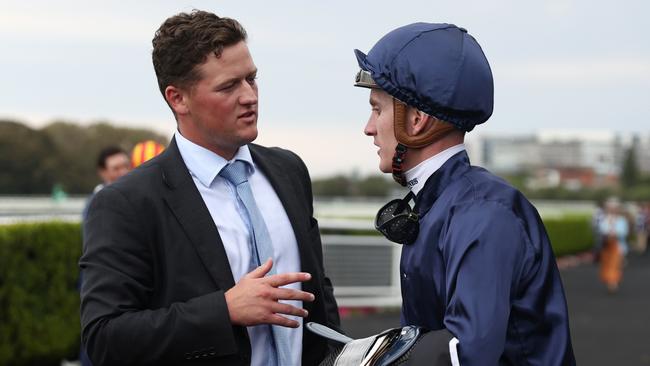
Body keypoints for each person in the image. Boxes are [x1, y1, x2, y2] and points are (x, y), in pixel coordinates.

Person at [80, 10, 340, 366]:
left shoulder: (288, 170)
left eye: (252, 79)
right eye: (229, 86)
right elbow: (105, 337)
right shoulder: (126, 203)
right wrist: (223, 310)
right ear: (178, 99)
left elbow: (319, 293)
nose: (250, 96)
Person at [352, 23, 575, 365]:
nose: (369, 128)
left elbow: (466, 352)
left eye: (377, 109)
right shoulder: (444, 203)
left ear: (417, 119)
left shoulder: (482, 213)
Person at [79, 146, 131, 366]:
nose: (123, 172)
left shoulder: (128, 196)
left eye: (125, 166)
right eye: (116, 168)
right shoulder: (97, 203)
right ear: (103, 172)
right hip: (104, 283)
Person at [598, 197, 628, 292]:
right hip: (606, 246)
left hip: (618, 246)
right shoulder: (605, 219)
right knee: (607, 264)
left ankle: (613, 282)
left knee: (615, 265)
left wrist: (615, 231)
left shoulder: (622, 220)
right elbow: (601, 229)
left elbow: (624, 232)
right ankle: (611, 281)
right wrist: (608, 231)